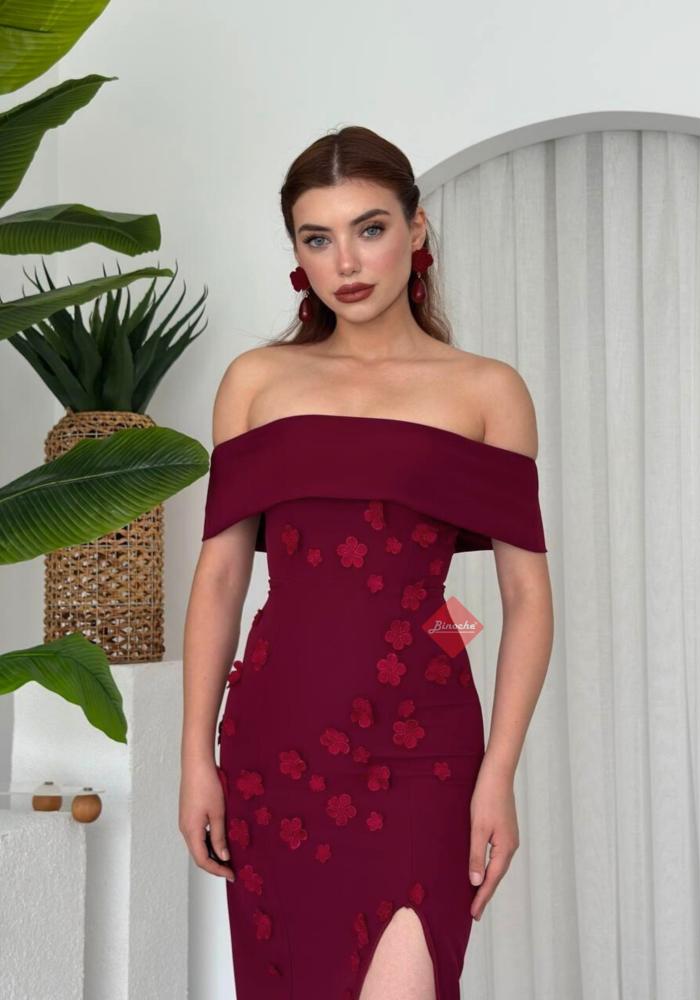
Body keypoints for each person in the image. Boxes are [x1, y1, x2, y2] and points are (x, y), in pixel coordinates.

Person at [179, 125, 554, 1000]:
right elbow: (222, 579)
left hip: (425, 755)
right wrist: (195, 755)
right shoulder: (256, 382)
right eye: (317, 238)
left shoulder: (486, 390)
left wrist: (497, 772)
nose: (345, 262)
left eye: (370, 228)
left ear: (417, 229)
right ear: (297, 254)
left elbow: (525, 597)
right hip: (274, 743)